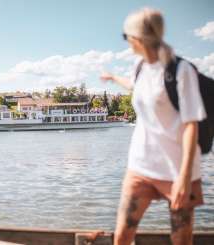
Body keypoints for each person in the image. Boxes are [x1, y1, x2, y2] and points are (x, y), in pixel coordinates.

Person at [100, 8, 206, 245]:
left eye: (125, 36)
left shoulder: (181, 71)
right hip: (141, 166)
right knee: (122, 236)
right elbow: (137, 88)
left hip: (178, 170)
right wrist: (113, 78)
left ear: (136, 38)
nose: (126, 41)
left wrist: (185, 177)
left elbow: (192, 125)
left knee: (181, 240)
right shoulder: (139, 66)